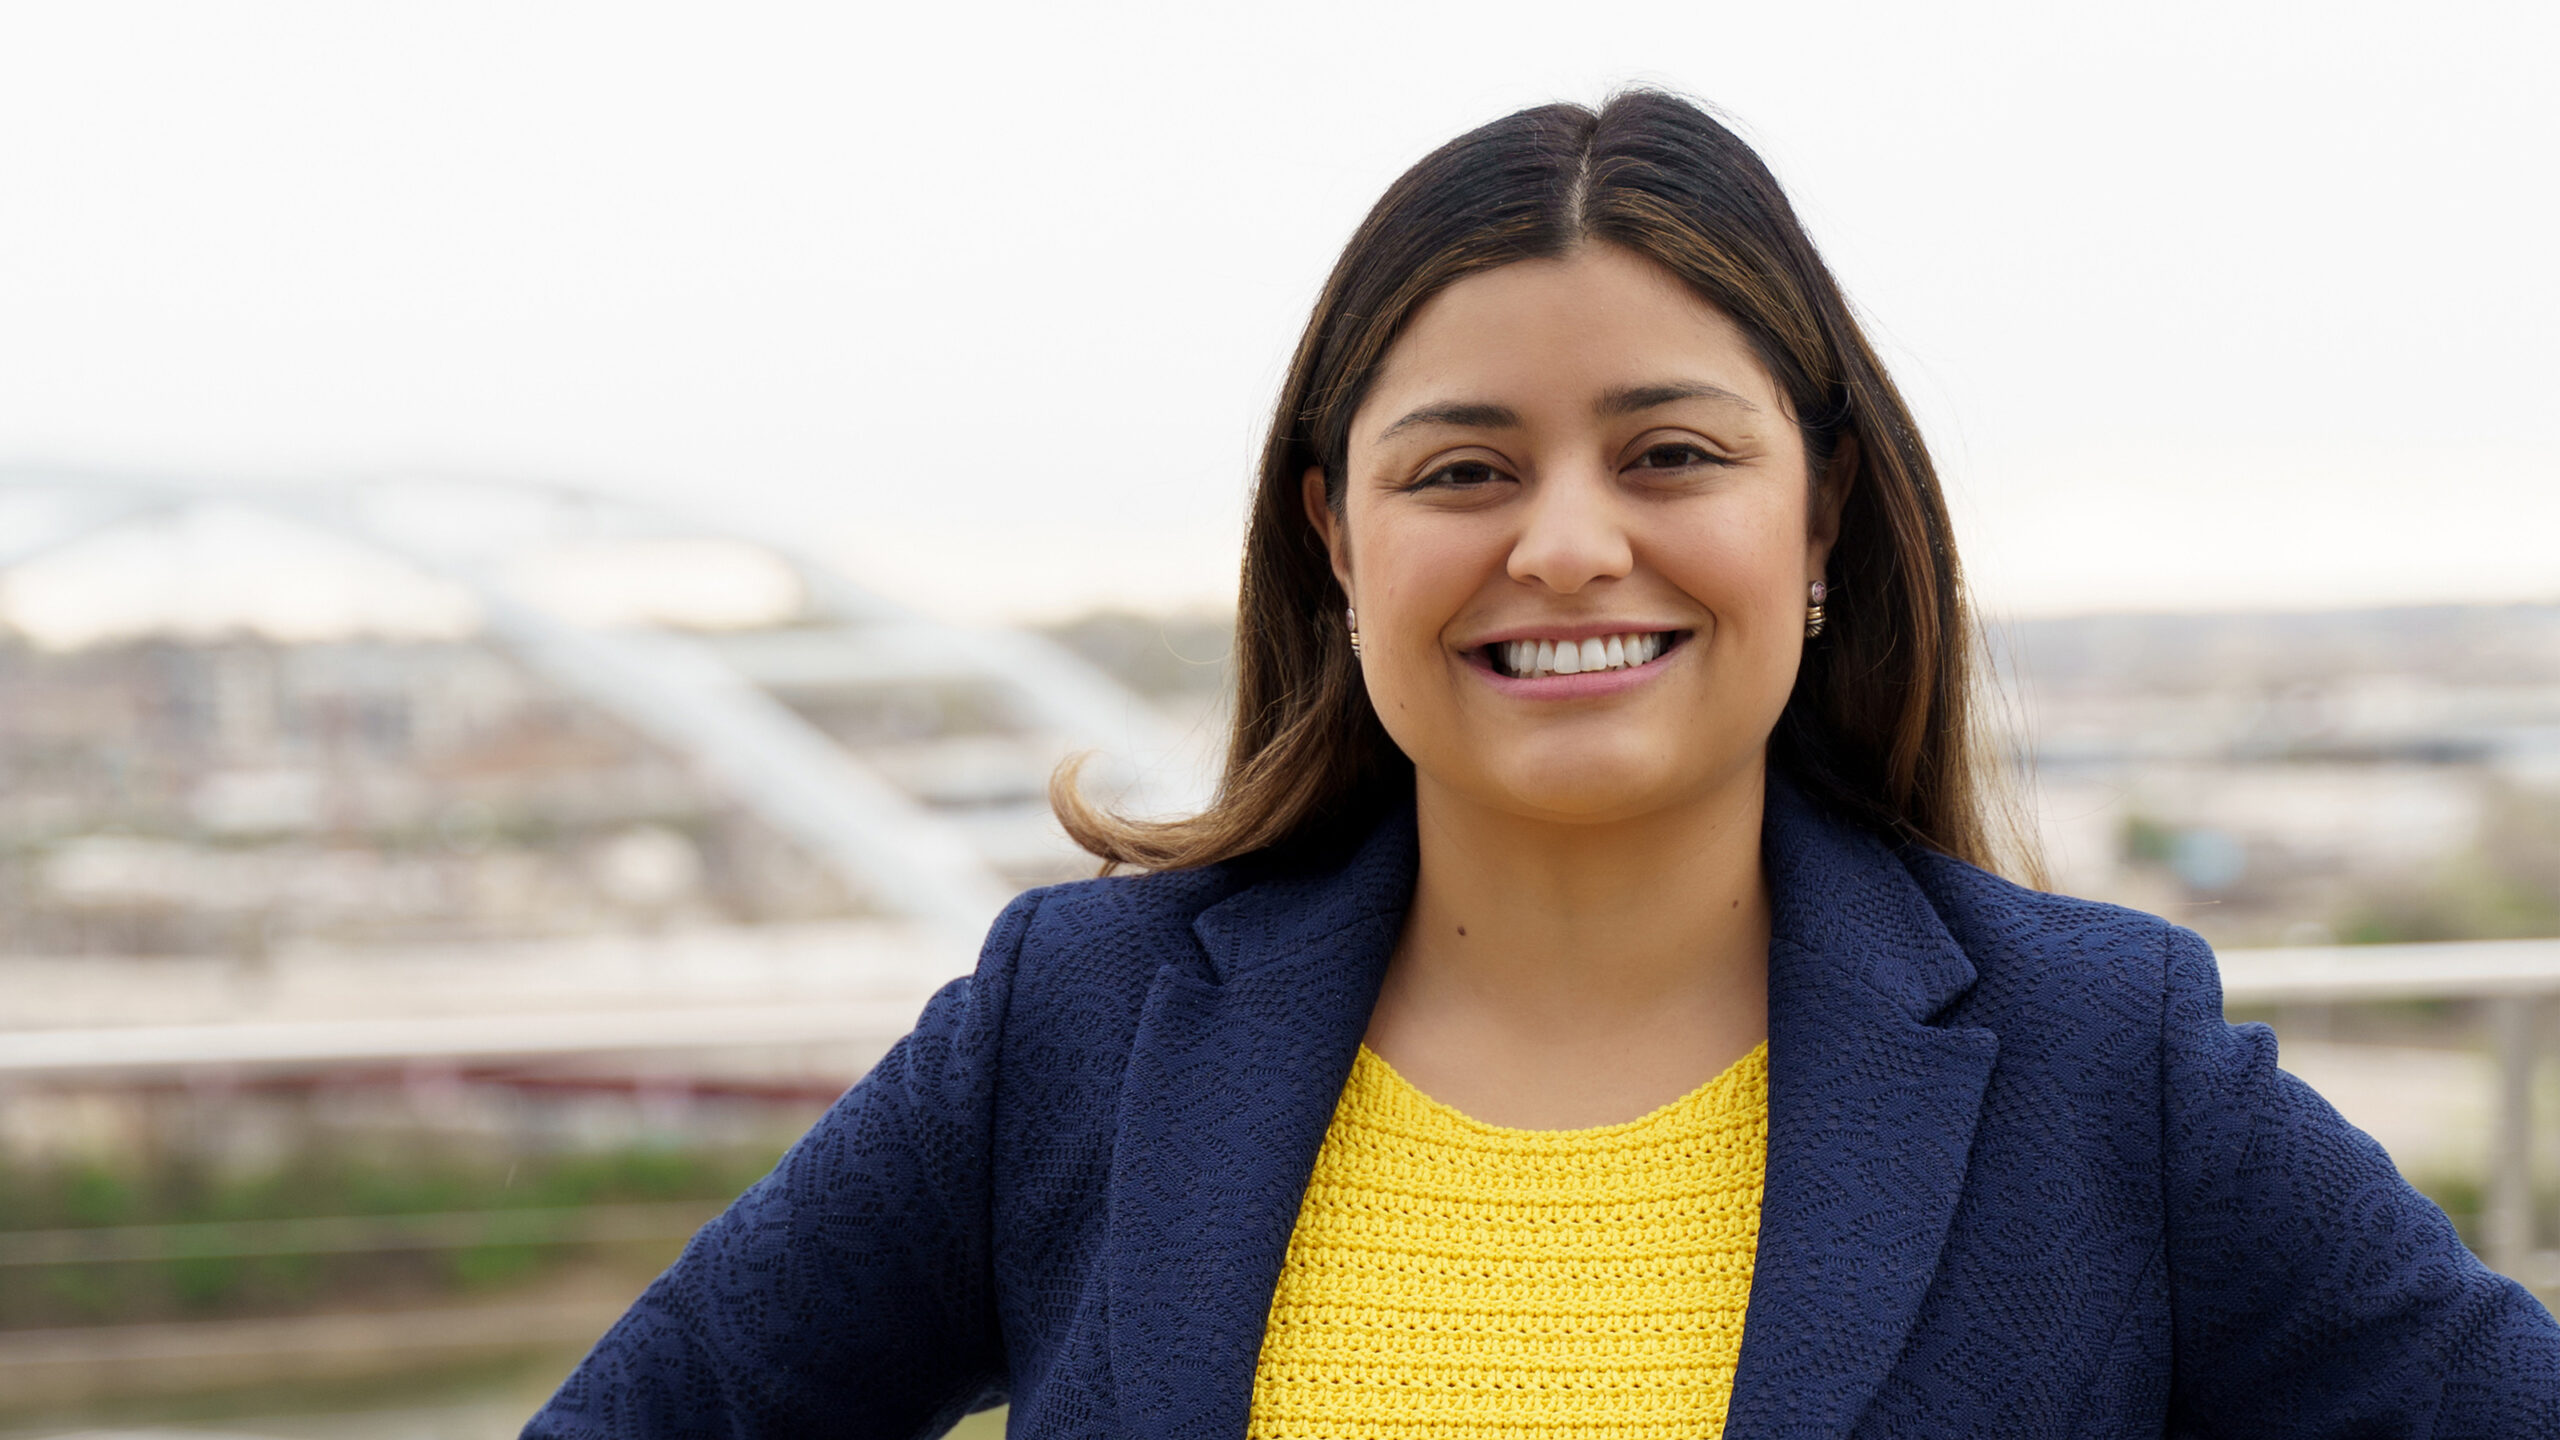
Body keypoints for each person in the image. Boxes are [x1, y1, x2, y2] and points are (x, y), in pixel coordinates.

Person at [525, 92, 2560, 1439]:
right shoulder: (1075, 1029)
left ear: (1823, 519)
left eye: (1668, 454)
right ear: (1333, 536)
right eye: (1462, 469)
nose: (1565, 542)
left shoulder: (2095, 1062)